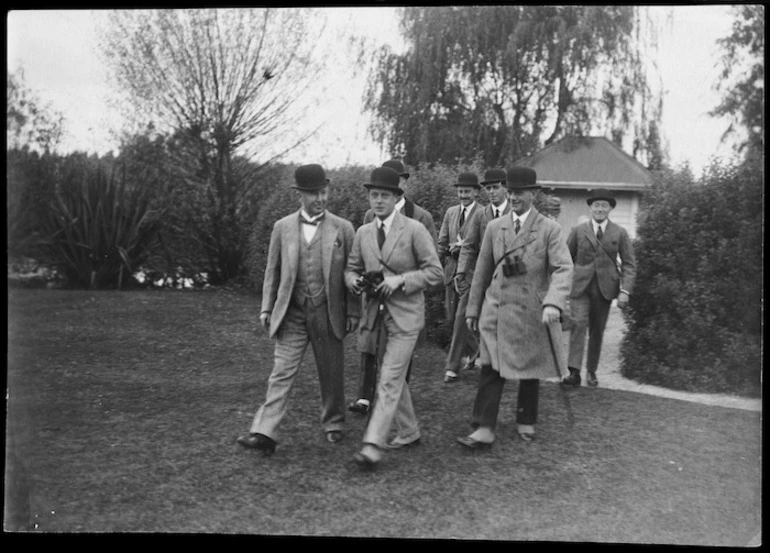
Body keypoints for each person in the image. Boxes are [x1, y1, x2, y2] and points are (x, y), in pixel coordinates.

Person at [236, 164, 359, 456]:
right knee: (281, 371)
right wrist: (267, 307)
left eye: (324, 191)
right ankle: (264, 431)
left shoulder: (343, 228)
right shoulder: (282, 227)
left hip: (328, 312)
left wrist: (353, 311)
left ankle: (334, 423)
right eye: (314, 193)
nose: (320, 198)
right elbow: (272, 270)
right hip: (292, 313)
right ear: (300, 196)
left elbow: (353, 270)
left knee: (331, 371)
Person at [457, 166, 573, 448]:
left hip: (532, 311)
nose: (514, 197)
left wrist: (553, 302)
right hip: (497, 309)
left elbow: (563, 268)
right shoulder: (496, 227)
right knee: (490, 367)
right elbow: (482, 271)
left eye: (519, 192)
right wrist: (473, 309)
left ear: (533, 194)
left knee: (529, 367)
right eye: (511, 192)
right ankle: (483, 427)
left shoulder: (549, 229)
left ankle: (526, 419)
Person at [345, 166, 442, 469]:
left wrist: (400, 281)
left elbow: (435, 273)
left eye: (384, 195)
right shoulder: (362, 232)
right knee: (393, 374)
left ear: (397, 197)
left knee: (387, 378)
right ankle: (409, 431)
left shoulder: (414, 229)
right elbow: (351, 268)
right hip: (375, 315)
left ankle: (373, 444)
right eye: (373, 195)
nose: (378, 201)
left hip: (405, 317)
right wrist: (354, 281)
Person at [561, 188, 637, 388]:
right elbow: (566, 259)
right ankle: (574, 371)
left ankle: (592, 372)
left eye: (604, 205)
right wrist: (562, 285)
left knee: (597, 331)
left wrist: (625, 291)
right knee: (577, 324)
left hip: (605, 290)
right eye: (597, 205)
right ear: (591, 207)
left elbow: (629, 264)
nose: (600, 209)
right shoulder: (578, 231)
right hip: (580, 288)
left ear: (610, 208)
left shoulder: (619, 232)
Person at [449, 168, 512, 382]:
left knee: (504, 321)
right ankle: (452, 366)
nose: (492, 192)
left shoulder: (515, 211)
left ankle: (499, 364)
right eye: (488, 189)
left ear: (505, 188)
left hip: (510, 277)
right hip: (480, 274)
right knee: (462, 316)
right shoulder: (481, 214)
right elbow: (468, 246)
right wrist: (461, 271)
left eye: (496, 187)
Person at [438, 171, 481, 384]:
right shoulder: (451, 212)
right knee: (452, 317)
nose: (463, 195)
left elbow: (484, 245)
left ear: (475, 192)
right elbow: (442, 242)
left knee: (459, 321)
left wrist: (465, 247)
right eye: (460, 191)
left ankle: (452, 367)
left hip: (471, 274)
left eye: (467, 191)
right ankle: (477, 350)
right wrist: (447, 252)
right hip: (450, 272)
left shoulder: (483, 214)